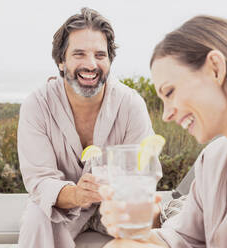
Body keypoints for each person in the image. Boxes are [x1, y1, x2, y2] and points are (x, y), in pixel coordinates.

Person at [100, 15, 227, 248]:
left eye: (170, 91)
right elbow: (184, 238)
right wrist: (140, 231)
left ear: (216, 69)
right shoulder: (214, 160)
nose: (165, 115)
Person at [17, 7, 156, 248]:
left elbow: (145, 170)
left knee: (151, 221)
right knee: (36, 216)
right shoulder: (37, 106)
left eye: (100, 55)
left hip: (117, 208)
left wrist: (121, 192)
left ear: (110, 61)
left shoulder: (131, 104)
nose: (91, 64)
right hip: (63, 209)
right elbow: (39, 181)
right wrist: (77, 195)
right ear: (61, 61)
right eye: (79, 54)